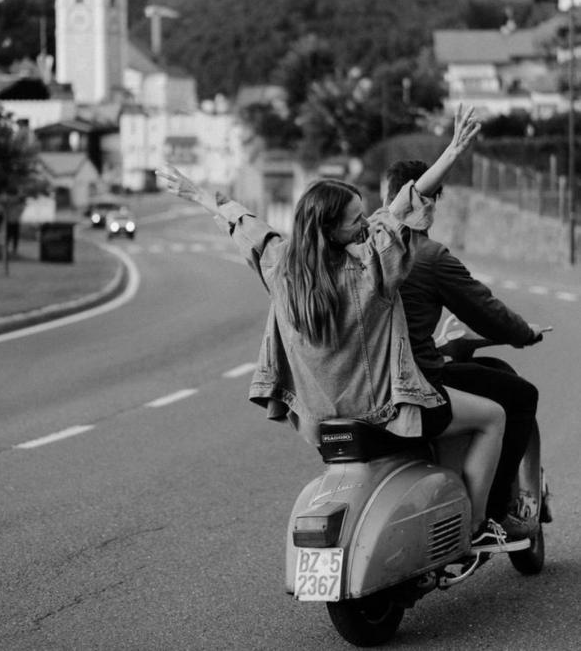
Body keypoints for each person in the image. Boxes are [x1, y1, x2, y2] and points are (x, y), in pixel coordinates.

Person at [159, 105, 526, 554]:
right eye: (356, 220)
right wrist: (451, 151)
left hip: (323, 424)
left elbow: (246, 226)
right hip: (386, 415)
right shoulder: (373, 268)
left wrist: (196, 193)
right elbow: (407, 202)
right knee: (493, 417)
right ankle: (478, 527)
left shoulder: (282, 270)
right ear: (332, 231)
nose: (366, 223)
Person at [383, 159, 545, 542]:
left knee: (491, 377)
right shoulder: (428, 255)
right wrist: (525, 334)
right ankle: (494, 513)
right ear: (431, 201)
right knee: (522, 397)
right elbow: (485, 311)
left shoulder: (361, 252)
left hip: (373, 382)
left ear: (386, 196)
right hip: (419, 381)